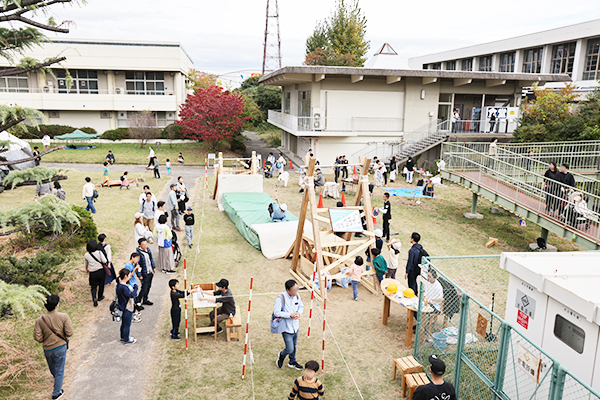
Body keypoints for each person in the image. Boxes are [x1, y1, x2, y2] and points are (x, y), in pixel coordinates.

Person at [33, 294, 73, 400]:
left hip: (47, 349)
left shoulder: (39, 320)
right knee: (60, 369)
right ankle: (56, 393)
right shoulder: (64, 316)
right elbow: (69, 333)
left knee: (53, 368)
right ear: (57, 305)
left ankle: (57, 382)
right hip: (60, 347)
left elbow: (38, 338)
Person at [274, 279, 304, 370]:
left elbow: (301, 306)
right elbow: (276, 313)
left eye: (297, 289)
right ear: (288, 290)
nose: (296, 292)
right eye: (294, 290)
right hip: (286, 328)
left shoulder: (297, 296)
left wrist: (299, 313)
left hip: (296, 327)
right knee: (290, 348)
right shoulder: (280, 299)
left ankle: (292, 361)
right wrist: (289, 315)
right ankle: (281, 356)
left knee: (294, 346)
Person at [116, 268, 139, 344]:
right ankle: (126, 339)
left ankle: (123, 337)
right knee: (127, 325)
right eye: (129, 275)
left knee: (123, 324)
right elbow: (132, 295)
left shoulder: (119, 284)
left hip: (122, 306)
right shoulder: (124, 287)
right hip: (127, 307)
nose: (130, 276)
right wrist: (136, 288)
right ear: (125, 276)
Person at [84, 239, 107, 307]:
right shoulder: (99, 252)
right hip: (100, 271)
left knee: (93, 286)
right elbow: (104, 261)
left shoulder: (86, 255)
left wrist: (86, 269)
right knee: (101, 284)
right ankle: (100, 297)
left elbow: (86, 264)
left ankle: (94, 298)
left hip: (92, 272)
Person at [135, 238, 156, 309]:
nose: (145, 246)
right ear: (139, 245)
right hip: (144, 273)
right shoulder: (138, 254)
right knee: (144, 288)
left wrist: (153, 267)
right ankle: (138, 301)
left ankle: (145, 299)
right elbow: (137, 265)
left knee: (148, 287)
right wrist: (139, 275)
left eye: (146, 244)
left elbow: (151, 259)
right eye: (143, 245)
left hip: (150, 271)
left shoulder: (148, 250)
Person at [124, 253, 143, 323]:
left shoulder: (132, 264)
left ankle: (134, 313)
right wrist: (135, 269)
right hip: (130, 285)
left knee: (134, 300)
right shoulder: (128, 265)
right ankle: (133, 317)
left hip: (133, 284)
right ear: (132, 257)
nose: (138, 260)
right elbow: (128, 276)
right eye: (137, 258)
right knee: (132, 301)